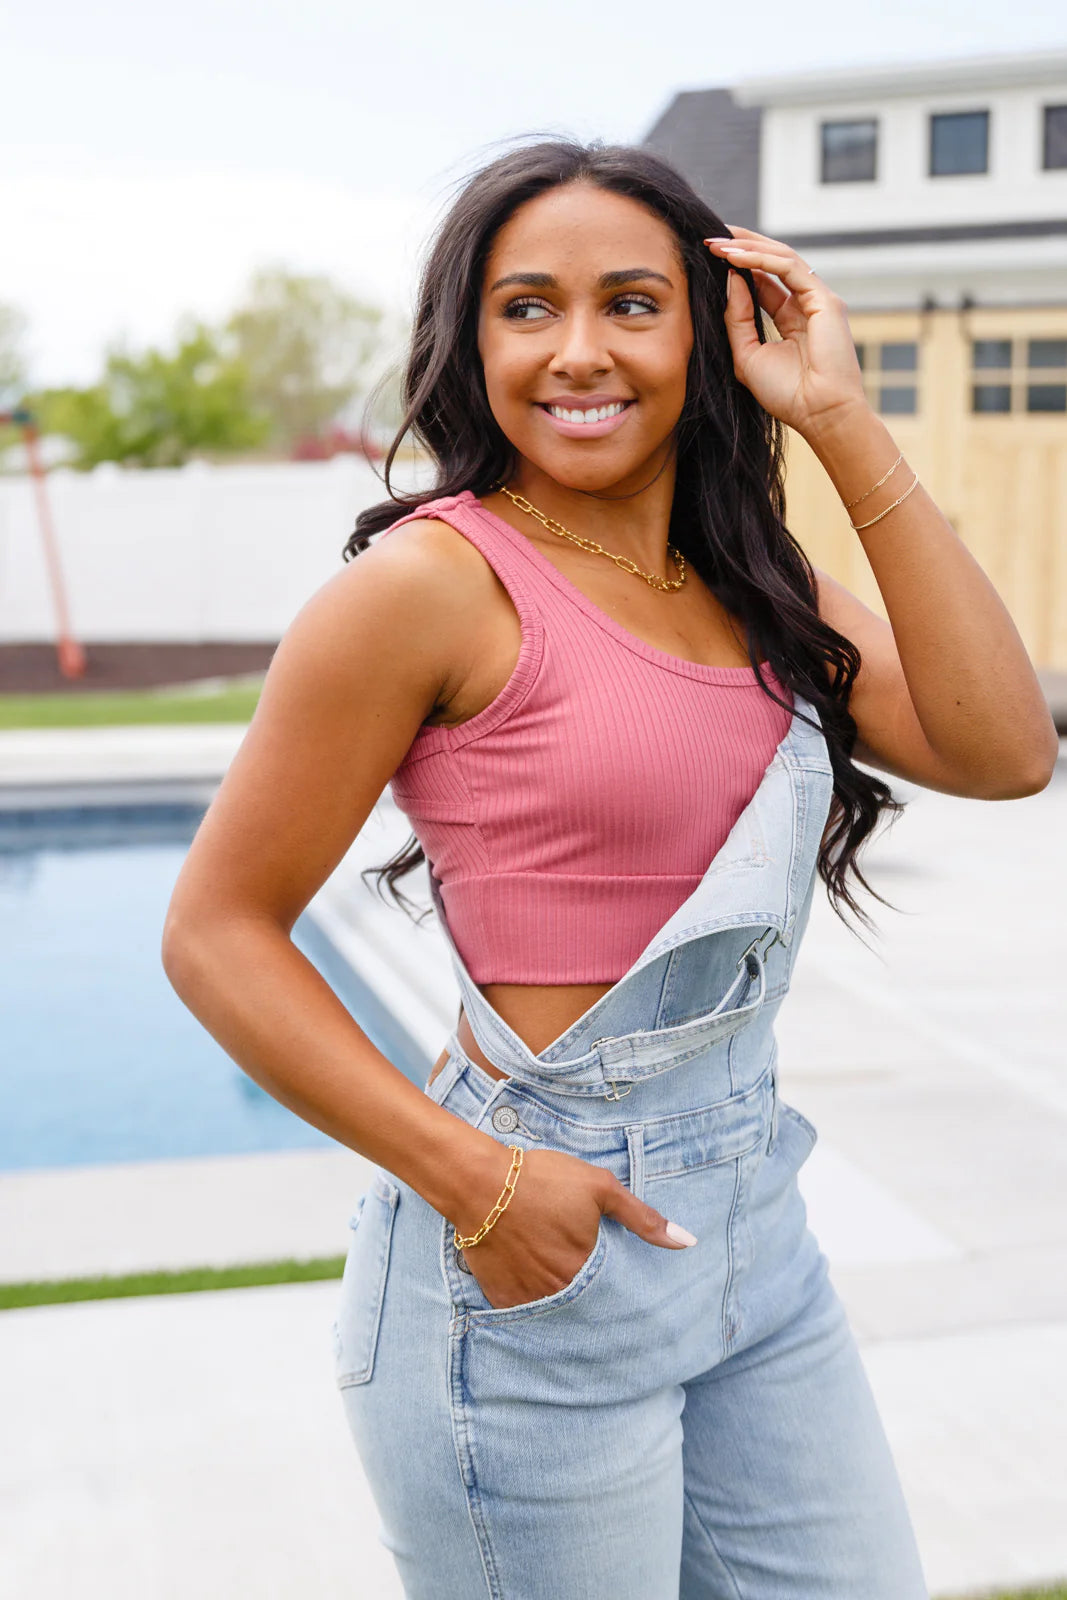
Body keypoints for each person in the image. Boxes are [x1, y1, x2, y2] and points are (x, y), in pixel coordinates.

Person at [162, 139, 1058, 1600]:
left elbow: (1007, 749)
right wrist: (478, 1183)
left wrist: (841, 421)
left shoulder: (757, 581)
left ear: (706, 337)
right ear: (472, 343)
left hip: (755, 1237)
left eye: (633, 304)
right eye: (528, 308)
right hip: (529, 1271)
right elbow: (216, 930)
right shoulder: (426, 587)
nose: (579, 350)